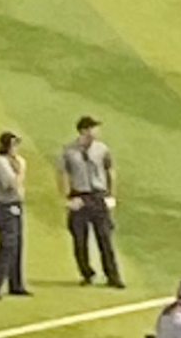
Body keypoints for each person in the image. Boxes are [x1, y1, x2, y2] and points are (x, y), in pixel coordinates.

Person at [58, 115, 122, 288]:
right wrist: (68, 198)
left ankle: (113, 276)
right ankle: (87, 274)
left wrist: (111, 195)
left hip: (98, 196)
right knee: (79, 240)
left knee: (105, 238)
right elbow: (62, 174)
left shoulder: (102, 149)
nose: (97, 131)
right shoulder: (69, 150)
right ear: (84, 130)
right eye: (93, 128)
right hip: (79, 196)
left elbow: (110, 172)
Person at [0, 132, 29, 299]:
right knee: (7, 246)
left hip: (15, 206)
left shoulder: (14, 161)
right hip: (4, 207)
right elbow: (10, 184)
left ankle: (16, 284)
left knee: (17, 245)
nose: (16, 149)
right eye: (13, 145)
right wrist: (21, 170)